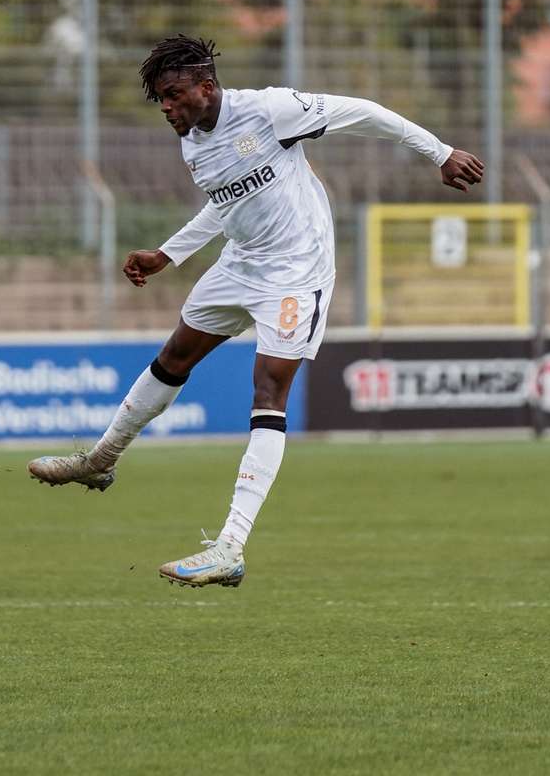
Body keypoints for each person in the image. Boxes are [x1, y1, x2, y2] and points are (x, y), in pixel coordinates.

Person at [29, 35, 484, 587]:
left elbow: (362, 112)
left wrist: (439, 152)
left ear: (206, 85)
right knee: (174, 357)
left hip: (297, 271)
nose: (168, 108)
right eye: (160, 101)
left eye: (174, 95)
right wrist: (169, 254)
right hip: (241, 265)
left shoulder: (270, 110)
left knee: (268, 391)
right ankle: (100, 461)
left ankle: (230, 547)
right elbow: (227, 205)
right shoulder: (193, 141)